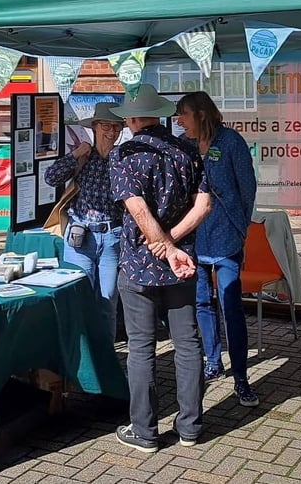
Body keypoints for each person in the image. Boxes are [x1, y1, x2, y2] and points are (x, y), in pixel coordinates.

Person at [108, 84, 211, 453]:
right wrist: (173, 244)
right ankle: (190, 428)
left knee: (141, 348)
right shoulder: (188, 150)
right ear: (161, 114)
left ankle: (145, 432)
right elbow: (204, 205)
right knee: (187, 344)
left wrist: (163, 246)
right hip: (182, 264)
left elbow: (136, 208)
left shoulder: (125, 153)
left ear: (132, 119)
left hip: (139, 264)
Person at [175, 91, 259, 407]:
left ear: (201, 114)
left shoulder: (231, 142)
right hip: (196, 238)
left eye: (183, 114)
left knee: (231, 305)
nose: (179, 121)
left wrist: (241, 227)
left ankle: (241, 378)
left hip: (227, 237)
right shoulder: (183, 145)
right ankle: (213, 361)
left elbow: (247, 188)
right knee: (201, 303)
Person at [44, 102, 124, 344]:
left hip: (112, 237)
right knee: (79, 298)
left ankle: (107, 357)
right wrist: (75, 154)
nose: (112, 132)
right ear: (95, 127)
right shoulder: (84, 156)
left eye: (117, 126)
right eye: (106, 126)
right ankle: (82, 358)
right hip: (81, 237)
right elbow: (51, 177)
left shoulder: (122, 158)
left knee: (108, 300)